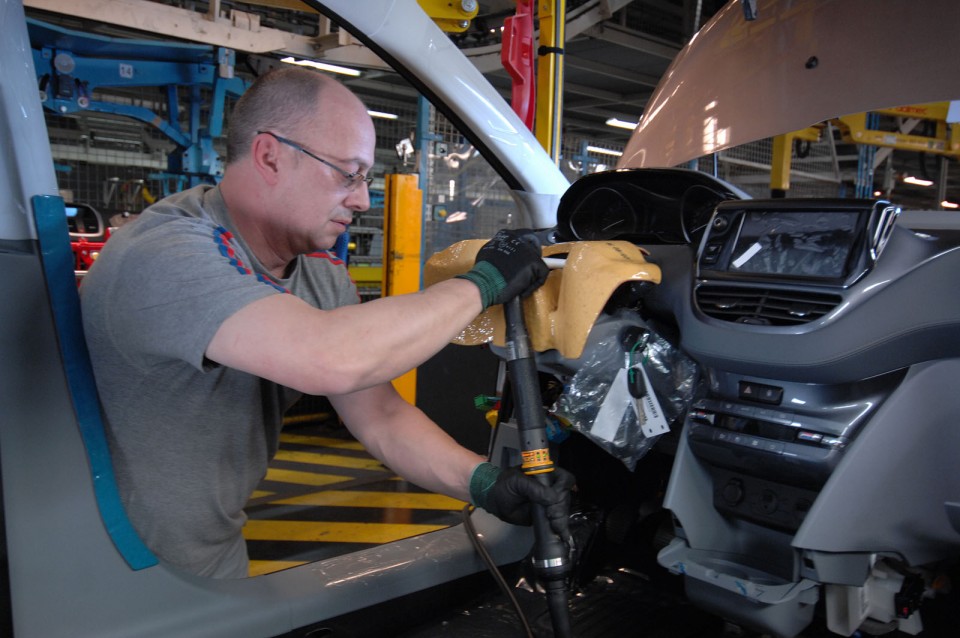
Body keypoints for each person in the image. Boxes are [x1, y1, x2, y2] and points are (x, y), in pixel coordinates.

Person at [80, 66, 574, 579]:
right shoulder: (167, 253)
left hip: (211, 563)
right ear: (270, 156)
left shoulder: (317, 274)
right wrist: (486, 283)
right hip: (110, 577)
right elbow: (331, 357)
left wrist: (486, 484)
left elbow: (380, 416)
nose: (362, 200)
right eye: (348, 172)